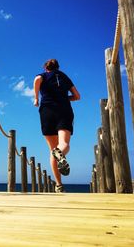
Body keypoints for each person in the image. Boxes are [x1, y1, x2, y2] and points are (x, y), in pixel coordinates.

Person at [33, 59, 80, 193]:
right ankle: (59, 154)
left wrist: (36, 98)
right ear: (57, 67)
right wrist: (66, 98)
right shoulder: (64, 76)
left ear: (45, 68)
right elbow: (77, 96)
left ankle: (59, 185)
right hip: (64, 110)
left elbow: (36, 80)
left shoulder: (43, 75)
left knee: (52, 150)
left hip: (46, 111)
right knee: (63, 144)